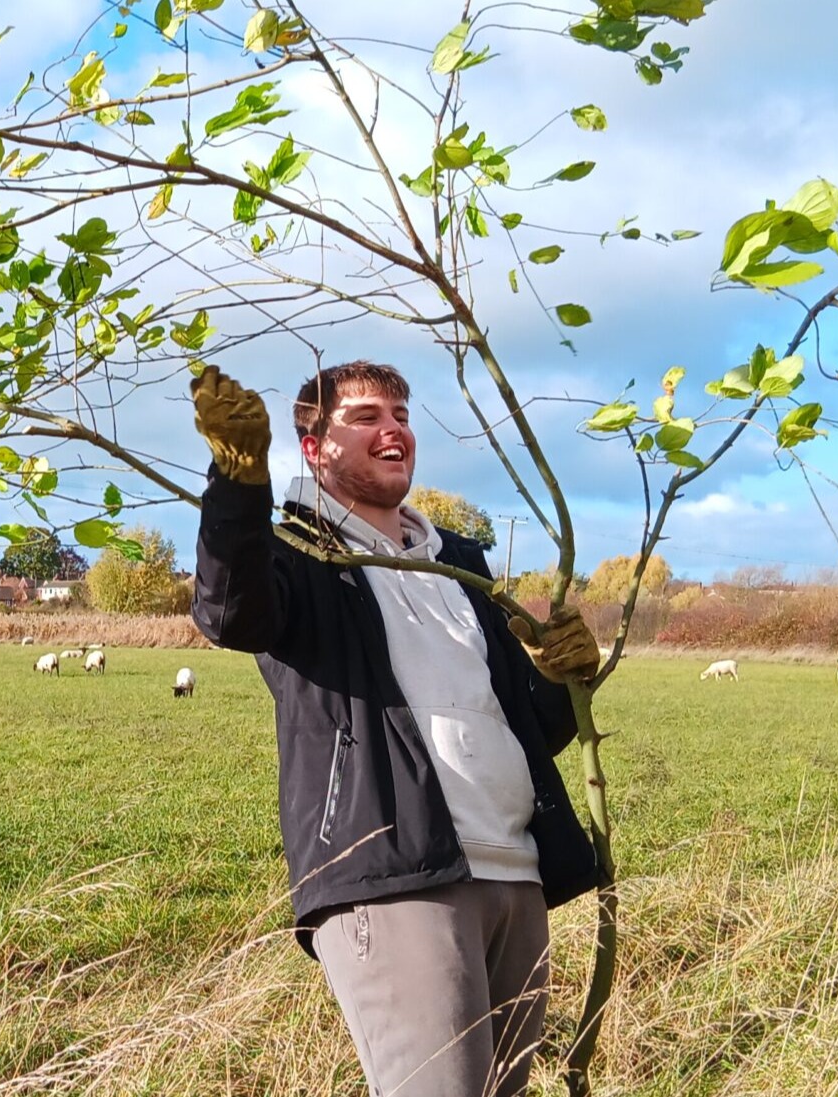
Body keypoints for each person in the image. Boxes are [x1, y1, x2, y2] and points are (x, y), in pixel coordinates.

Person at [189, 360, 603, 1097]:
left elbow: (529, 728)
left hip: (515, 870)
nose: (394, 430)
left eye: (403, 415)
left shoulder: (464, 568)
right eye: (367, 416)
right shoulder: (297, 553)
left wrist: (562, 676)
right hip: (396, 873)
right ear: (314, 448)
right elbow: (231, 611)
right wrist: (237, 480)